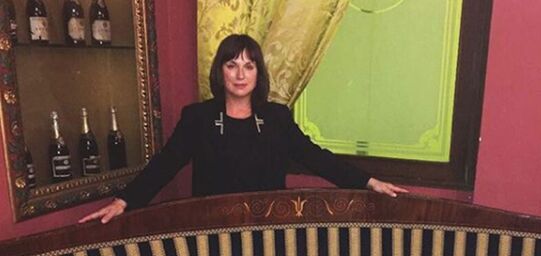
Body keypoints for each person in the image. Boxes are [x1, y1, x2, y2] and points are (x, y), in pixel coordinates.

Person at [79, 34, 407, 225]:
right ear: (220, 71)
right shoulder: (198, 118)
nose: (240, 74)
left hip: (266, 230)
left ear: (257, 73)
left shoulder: (277, 117)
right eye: (232, 65)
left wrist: (369, 182)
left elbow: (317, 158)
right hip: (212, 230)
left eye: (249, 66)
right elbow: (166, 164)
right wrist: (124, 201)